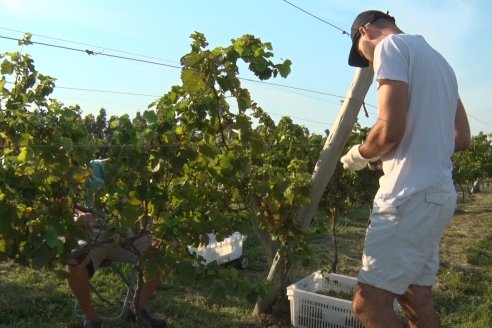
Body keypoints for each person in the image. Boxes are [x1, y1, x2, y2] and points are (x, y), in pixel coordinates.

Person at [340, 10, 471, 328]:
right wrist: (420, 146)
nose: (370, 64)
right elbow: (462, 138)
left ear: (366, 32)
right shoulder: (442, 64)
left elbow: (389, 130)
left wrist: (360, 155)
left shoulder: (390, 47)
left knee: (368, 304)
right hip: (437, 195)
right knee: (415, 295)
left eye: (363, 56)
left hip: (407, 197)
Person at [67, 159, 167, 328]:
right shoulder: (90, 168)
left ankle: (138, 309)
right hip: (93, 234)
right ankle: (92, 319)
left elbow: (149, 211)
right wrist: (78, 216)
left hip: (128, 234)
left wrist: (155, 231)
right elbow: (69, 206)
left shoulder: (143, 172)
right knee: (74, 261)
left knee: (168, 251)